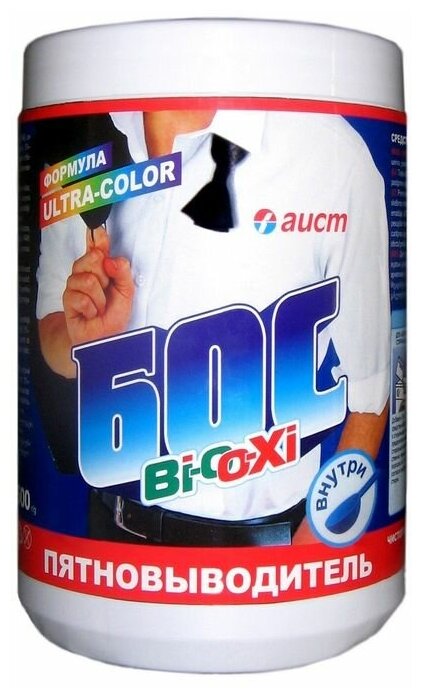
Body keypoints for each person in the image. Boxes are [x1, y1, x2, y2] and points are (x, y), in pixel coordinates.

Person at [36, 108, 390, 544]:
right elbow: (50, 326)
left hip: (261, 550)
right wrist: (82, 343)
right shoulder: (83, 143)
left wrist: (314, 545)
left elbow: (373, 387)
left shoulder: (327, 152)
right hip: (112, 530)